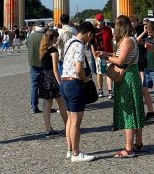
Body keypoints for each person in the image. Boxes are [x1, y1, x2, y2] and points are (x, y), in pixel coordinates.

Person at [98, 15, 144, 157]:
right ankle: (139, 143)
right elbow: (121, 55)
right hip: (132, 75)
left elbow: (120, 60)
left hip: (127, 78)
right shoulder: (131, 39)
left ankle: (129, 148)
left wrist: (106, 57)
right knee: (135, 109)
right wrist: (108, 53)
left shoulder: (126, 41)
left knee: (128, 111)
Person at [60, 21, 96, 162]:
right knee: (76, 121)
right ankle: (76, 153)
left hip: (64, 82)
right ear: (89, 33)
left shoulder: (69, 42)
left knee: (70, 119)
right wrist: (85, 78)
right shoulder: (80, 46)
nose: (90, 40)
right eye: (91, 37)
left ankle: (70, 150)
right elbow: (79, 69)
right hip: (74, 84)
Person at [38, 29, 68, 137]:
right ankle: (67, 125)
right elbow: (55, 69)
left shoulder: (43, 49)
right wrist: (60, 83)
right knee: (62, 104)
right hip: (52, 78)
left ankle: (48, 129)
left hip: (44, 78)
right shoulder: (53, 51)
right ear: (54, 38)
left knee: (47, 105)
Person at [92, 13, 114, 99]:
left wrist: (113, 51)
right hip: (98, 54)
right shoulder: (94, 30)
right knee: (99, 72)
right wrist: (94, 54)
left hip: (108, 53)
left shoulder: (108, 29)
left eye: (101, 20)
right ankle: (100, 90)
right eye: (99, 20)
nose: (100, 22)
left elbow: (111, 40)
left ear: (103, 20)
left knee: (109, 71)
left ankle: (110, 90)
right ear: (96, 21)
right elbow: (92, 44)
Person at [27, 20, 46, 113]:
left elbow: (27, 46)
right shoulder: (46, 36)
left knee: (34, 86)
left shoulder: (30, 36)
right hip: (44, 64)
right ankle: (46, 106)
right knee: (46, 86)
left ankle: (34, 107)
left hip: (33, 63)